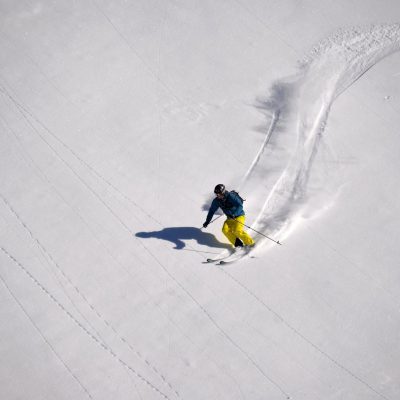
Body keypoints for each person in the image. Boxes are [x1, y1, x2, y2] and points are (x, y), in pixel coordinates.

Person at [203, 184, 255, 248]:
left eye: (219, 194)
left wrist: (234, 214)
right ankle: (238, 245)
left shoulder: (231, 196)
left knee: (237, 230)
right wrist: (207, 221)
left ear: (223, 192)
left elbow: (240, 205)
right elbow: (211, 211)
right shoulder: (216, 201)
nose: (218, 196)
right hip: (230, 218)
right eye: (216, 194)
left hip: (239, 216)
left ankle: (251, 244)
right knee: (225, 230)